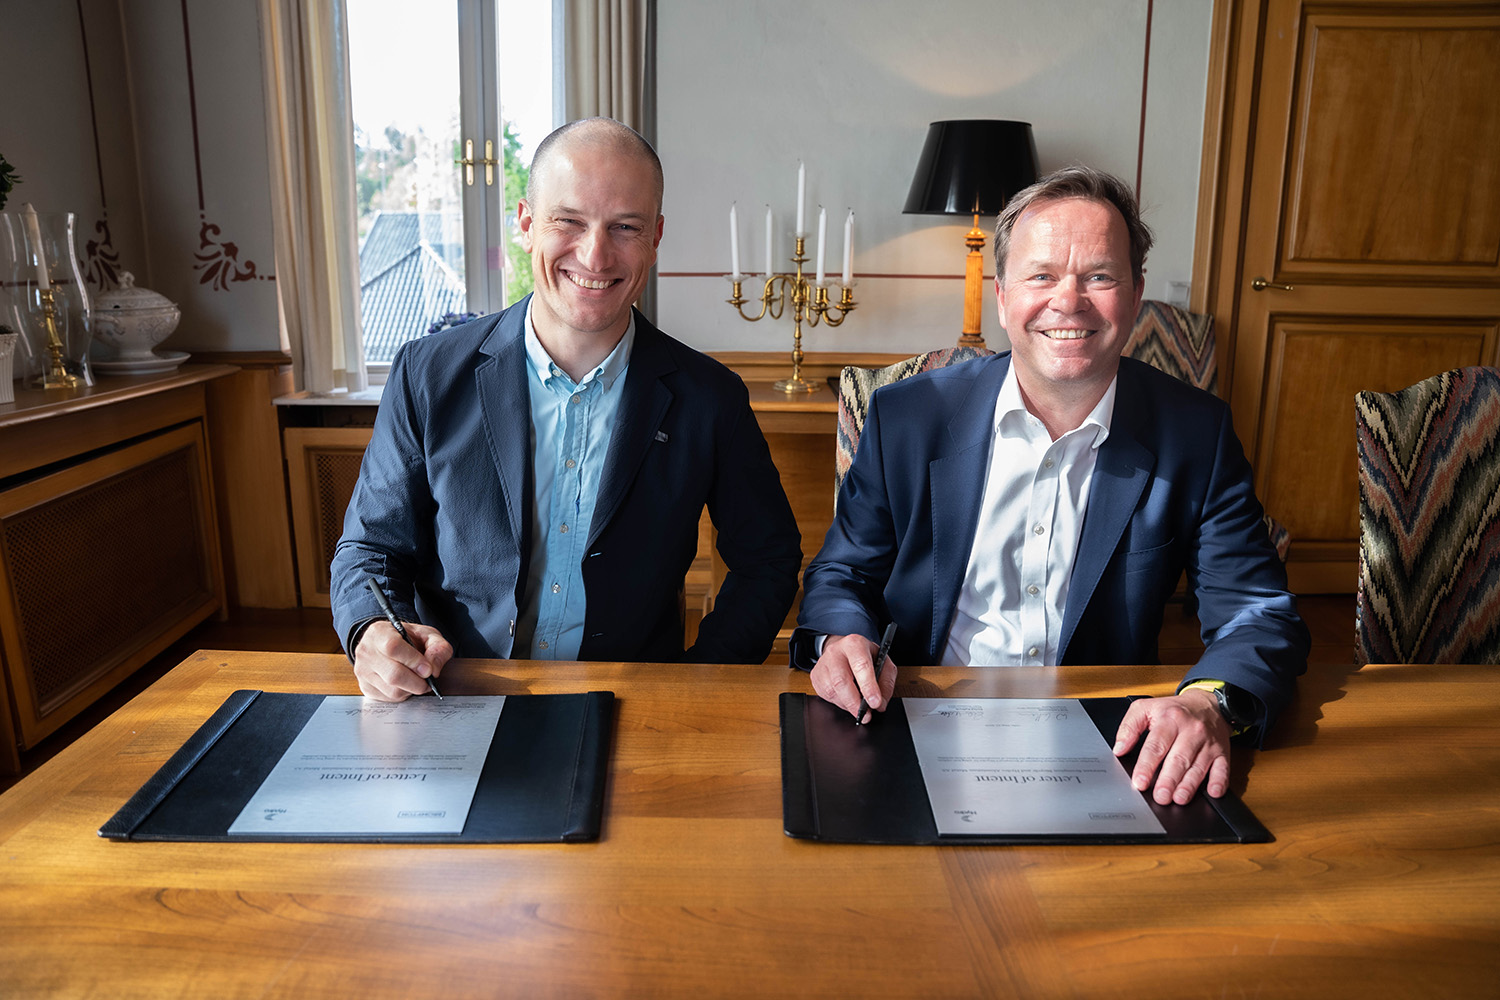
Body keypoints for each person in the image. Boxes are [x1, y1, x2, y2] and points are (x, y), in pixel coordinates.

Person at [792, 165, 1308, 806]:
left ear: (1136, 293)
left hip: (1109, 740)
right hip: (917, 715)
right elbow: (842, 576)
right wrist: (844, 640)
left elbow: (1255, 611)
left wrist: (1210, 704)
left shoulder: (1194, 432)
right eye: (1041, 275)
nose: (1069, 301)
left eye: (1100, 276)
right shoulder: (908, 416)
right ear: (1002, 295)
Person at [333, 117, 802, 700]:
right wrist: (372, 630)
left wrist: (702, 676)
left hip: (631, 704)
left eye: (624, 226)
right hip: (452, 694)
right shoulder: (426, 373)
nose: (595, 253)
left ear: (655, 237)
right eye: (569, 221)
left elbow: (769, 560)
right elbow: (371, 548)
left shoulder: (713, 398)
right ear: (527, 224)